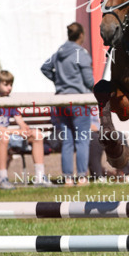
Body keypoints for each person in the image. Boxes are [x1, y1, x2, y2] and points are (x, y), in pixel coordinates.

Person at [41, 22, 94, 186]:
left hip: (61, 100)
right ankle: (82, 176)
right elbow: (89, 81)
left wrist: (58, 81)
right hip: (79, 100)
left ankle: (68, 178)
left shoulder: (59, 52)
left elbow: (44, 68)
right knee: (82, 139)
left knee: (68, 140)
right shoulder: (81, 54)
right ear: (81, 36)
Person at [0, 70, 51, 189]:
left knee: (37, 134)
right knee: (3, 136)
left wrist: (26, 130)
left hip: (7, 135)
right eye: (6, 84)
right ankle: (3, 178)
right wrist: (17, 131)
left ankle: (40, 177)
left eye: (11, 85)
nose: (9, 88)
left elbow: (20, 121)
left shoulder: (10, 100)